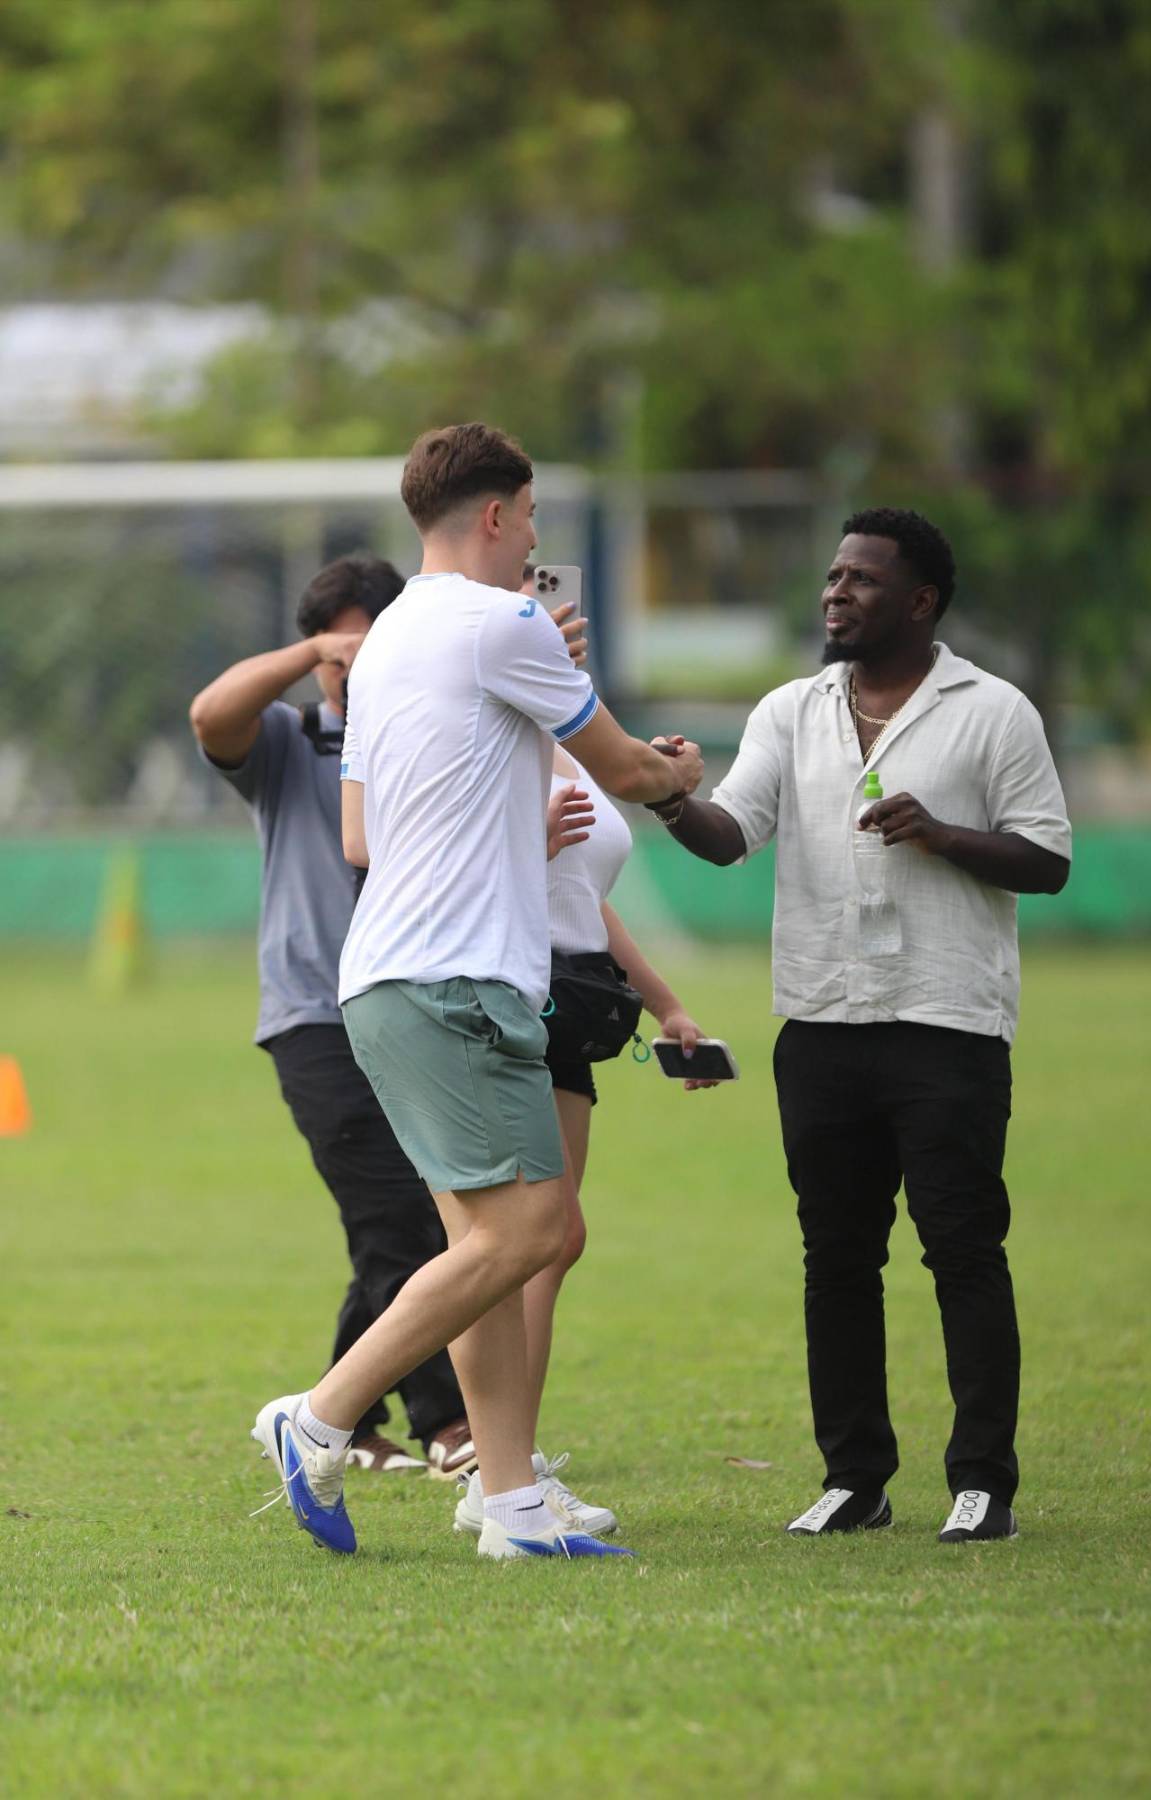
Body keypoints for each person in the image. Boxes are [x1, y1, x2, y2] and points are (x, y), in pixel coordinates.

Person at [251, 421, 703, 1560]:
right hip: (458, 979)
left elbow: (359, 835)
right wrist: (681, 772)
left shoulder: (389, 636)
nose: (535, 539)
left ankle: (509, 1506)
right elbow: (631, 773)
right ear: (496, 515)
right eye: (534, 518)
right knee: (535, 1229)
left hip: (387, 977)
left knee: (489, 1249)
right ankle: (316, 1419)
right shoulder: (504, 625)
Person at [652, 507, 1071, 1544]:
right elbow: (728, 836)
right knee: (835, 1256)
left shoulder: (994, 711)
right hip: (822, 1021)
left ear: (921, 602)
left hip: (946, 1022)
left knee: (963, 1252)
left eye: (863, 581)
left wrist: (942, 835)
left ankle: (983, 1482)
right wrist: (669, 799)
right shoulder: (791, 711)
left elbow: (1049, 861)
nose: (836, 593)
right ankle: (855, 1479)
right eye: (834, 576)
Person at [452, 565, 724, 1543]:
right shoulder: (485, 736)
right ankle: (492, 1472)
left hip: (576, 996)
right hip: (508, 987)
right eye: (529, 603)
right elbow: (422, 859)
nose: (552, 620)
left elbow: (588, 899)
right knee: (520, 1238)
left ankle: (506, 1466)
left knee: (553, 1241)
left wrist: (668, 1004)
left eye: (557, 605)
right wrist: (522, 832)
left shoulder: (572, 743)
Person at [189, 554, 475, 1480]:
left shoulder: (428, 742)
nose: (351, 672)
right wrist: (316, 648)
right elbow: (209, 715)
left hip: (422, 1003)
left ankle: (340, 1415)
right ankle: (439, 1421)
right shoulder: (287, 741)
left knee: (425, 1224)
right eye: (336, 653)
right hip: (316, 1018)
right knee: (398, 1221)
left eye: (368, 647)